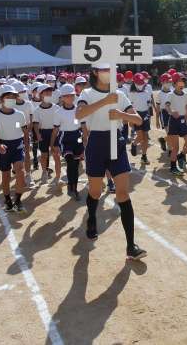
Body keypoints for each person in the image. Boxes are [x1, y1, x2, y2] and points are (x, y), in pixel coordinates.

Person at [75, 62, 147, 260]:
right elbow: (79, 114)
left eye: (111, 70)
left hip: (116, 142)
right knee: (95, 191)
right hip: (96, 144)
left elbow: (138, 120)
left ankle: (131, 246)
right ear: (95, 72)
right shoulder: (87, 93)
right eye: (105, 70)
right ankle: (91, 218)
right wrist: (105, 101)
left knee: (123, 193)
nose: (109, 73)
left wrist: (122, 115)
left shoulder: (120, 95)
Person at [0, 84, 28, 212]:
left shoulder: (20, 115)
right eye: (8, 97)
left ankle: (18, 200)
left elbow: (24, 131)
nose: (11, 99)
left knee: (20, 172)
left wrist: (27, 147)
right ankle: (7, 200)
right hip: (3, 146)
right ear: (1, 99)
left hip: (17, 145)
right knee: (6, 176)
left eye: (13, 96)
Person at [51, 84, 84, 200]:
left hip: (78, 138)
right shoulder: (58, 112)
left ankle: (73, 187)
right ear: (62, 98)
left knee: (76, 164)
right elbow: (55, 130)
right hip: (65, 139)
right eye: (67, 96)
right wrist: (52, 144)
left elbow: (83, 127)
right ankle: (72, 188)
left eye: (72, 95)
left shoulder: (78, 110)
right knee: (70, 162)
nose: (70, 98)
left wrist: (85, 141)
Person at [165, 72, 187, 176]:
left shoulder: (185, 95)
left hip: (183, 121)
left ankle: (181, 156)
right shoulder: (170, 95)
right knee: (175, 147)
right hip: (174, 121)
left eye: (183, 81)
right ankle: (173, 167)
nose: (182, 84)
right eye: (180, 81)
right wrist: (171, 111)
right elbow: (167, 106)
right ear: (174, 83)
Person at [32, 84, 61, 184]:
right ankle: (44, 171)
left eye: (50, 92)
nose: (49, 94)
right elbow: (35, 124)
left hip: (55, 132)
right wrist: (38, 134)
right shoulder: (37, 110)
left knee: (56, 155)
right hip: (43, 133)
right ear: (41, 94)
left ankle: (58, 176)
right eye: (46, 92)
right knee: (44, 155)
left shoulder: (56, 108)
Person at [13, 81, 34, 187]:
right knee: (16, 156)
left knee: (27, 154)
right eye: (20, 92)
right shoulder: (12, 105)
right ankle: (17, 173)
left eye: (23, 91)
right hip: (15, 133)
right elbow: (14, 121)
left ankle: (28, 175)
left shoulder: (28, 104)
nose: (22, 93)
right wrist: (20, 129)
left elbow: (31, 116)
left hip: (26, 131)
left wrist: (28, 130)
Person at [129, 73, 151, 165]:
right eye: (138, 83)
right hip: (136, 115)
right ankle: (134, 144)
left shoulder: (147, 92)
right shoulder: (131, 94)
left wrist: (148, 116)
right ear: (134, 83)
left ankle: (144, 156)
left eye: (141, 83)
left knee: (145, 137)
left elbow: (148, 105)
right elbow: (129, 107)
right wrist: (131, 120)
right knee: (140, 136)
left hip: (145, 115)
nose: (140, 85)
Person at [155, 73, 172, 152]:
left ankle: (163, 140)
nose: (169, 83)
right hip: (164, 114)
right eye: (167, 82)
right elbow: (158, 108)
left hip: (172, 112)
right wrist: (157, 120)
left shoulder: (173, 91)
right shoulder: (160, 94)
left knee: (174, 133)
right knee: (169, 133)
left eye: (170, 81)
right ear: (162, 82)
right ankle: (170, 150)